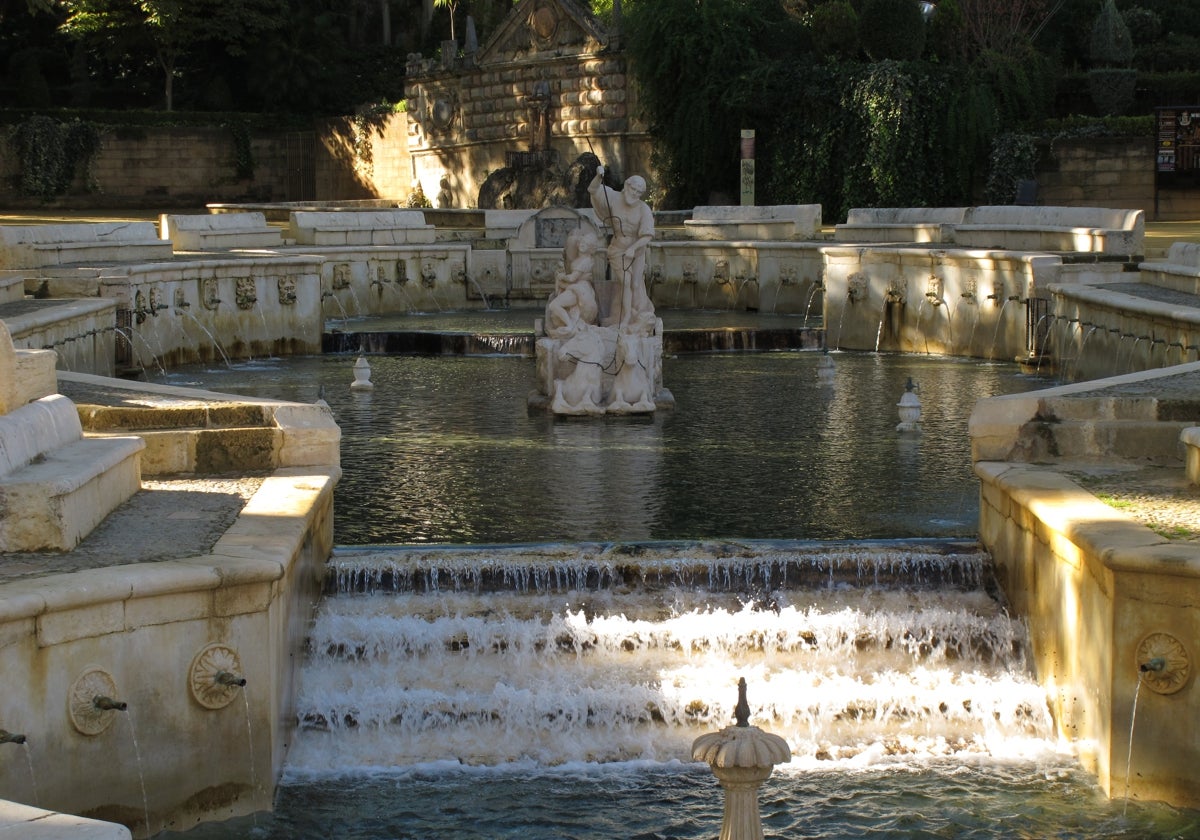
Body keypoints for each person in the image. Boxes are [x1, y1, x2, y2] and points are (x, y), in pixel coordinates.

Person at [588, 165, 655, 333]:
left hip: (637, 250)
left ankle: (634, 314)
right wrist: (598, 175)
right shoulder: (613, 198)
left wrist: (633, 248)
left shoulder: (643, 209)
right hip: (618, 249)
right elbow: (593, 189)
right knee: (626, 281)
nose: (635, 194)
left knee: (636, 283)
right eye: (634, 190)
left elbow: (647, 236)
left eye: (639, 193)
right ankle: (625, 318)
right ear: (627, 186)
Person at [544, 229, 599, 340]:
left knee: (554, 305)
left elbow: (572, 278)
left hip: (579, 288)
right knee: (555, 304)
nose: (582, 245)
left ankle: (570, 326)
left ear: (591, 248)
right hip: (577, 286)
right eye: (582, 242)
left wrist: (562, 277)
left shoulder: (585, 261)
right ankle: (570, 324)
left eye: (586, 244)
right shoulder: (581, 259)